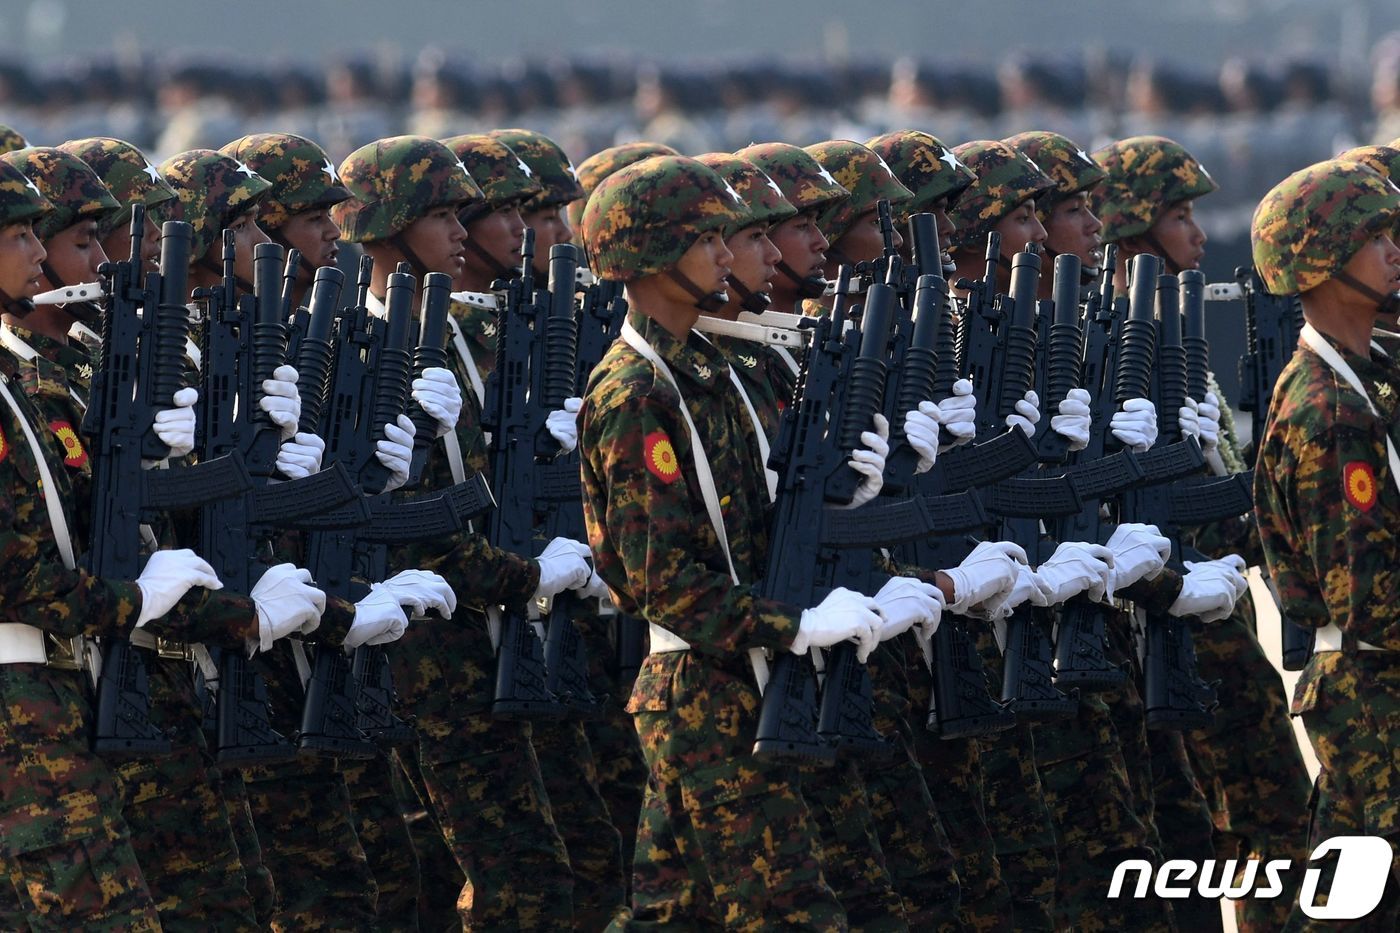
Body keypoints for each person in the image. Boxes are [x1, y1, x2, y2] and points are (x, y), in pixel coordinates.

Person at [578, 152, 957, 928]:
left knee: (677, 908)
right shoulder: (635, 393)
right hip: (708, 697)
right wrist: (795, 623)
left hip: (760, 674)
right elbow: (661, 579)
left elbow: (760, 526)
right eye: (708, 239)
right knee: (797, 911)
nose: (729, 255)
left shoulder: (711, 371)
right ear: (651, 254)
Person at [333, 134, 597, 931]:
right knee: (497, 875)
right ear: (386, 228)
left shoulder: (463, 339)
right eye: (444, 213)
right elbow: (397, 517)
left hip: (488, 633)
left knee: (546, 864)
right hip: (419, 650)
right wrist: (525, 575)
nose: (468, 230)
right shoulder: (359, 344)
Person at [0, 154, 223, 932]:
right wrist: (138, 598)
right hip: (21, 704)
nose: (37, 252)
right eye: (20, 234)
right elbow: (19, 578)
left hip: (52, 691)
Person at [1097, 133, 1308, 931]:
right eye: (1178, 216)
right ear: (1132, 232)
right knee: (1256, 828)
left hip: (1216, 606)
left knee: (1257, 832)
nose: (1196, 234)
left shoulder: (1172, 331)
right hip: (1170, 625)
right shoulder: (1119, 343)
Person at [1252, 157, 1400, 929]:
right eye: (1375, 236)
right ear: (1322, 260)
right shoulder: (1327, 410)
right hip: (1375, 697)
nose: (1394, 250)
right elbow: (1368, 595)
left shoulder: (1364, 378)